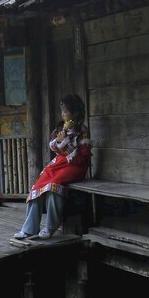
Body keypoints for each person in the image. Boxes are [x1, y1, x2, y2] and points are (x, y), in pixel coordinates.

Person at [14, 94, 92, 240]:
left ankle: (50, 227)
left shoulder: (82, 130)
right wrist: (59, 140)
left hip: (75, 166)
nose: (63, 115)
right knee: (39, 184)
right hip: (60, 163)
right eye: (62, 111)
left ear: (75, 113)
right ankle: (29, 229)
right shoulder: (60, 127)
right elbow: (53, 147)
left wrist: (67, 143)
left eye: (66, 112)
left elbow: (83, 155)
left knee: (53, 185)